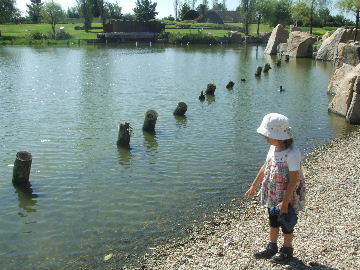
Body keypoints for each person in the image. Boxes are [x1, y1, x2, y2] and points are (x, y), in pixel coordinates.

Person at [245, 113, 306, 263]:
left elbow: (293, 180)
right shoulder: (273, 148)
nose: (265, 138)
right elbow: (266, 166)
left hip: (287, 194)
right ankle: (272, 246)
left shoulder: (292, 153)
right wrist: (254, 184)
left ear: (279, 136)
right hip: (273, 192)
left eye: (268, 135)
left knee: (287, 222)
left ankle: (287, 249)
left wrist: (285, 202)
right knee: (273, 220)